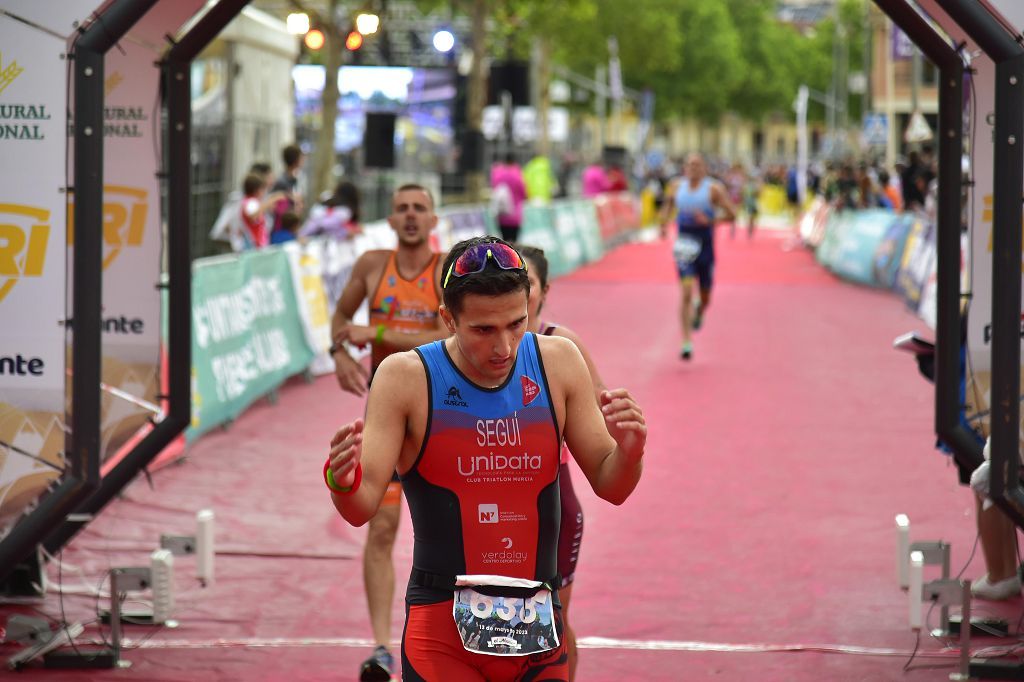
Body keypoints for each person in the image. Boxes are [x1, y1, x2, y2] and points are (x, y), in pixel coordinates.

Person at [325, 236, 646, 681]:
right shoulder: (405, 377)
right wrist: (341, 480)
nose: (504, 348)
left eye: (517, 324)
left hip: (536, 628)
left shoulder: (557, 361)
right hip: (441, 635)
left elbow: (613, 487)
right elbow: (361, 509)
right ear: (448, 319)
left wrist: (630, 451)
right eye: (483, 330)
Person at [328, 184, 451, 681]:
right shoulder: (371, 265)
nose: (410, 216)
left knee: (445, 532)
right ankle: (381, 647)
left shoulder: (446, 269)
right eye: (401, 208)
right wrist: (339, 352)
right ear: (390, 218)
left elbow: (450, 335)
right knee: (380, 528)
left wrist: (375, 333)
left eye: (419, 208)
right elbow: (340, 319)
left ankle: (448, 636)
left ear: (434, 218)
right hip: (385, 421)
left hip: (441, 416)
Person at [517, 244, 610, 681]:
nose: (518, 291)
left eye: (527, 283)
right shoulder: (473, 351)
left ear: (544, 290)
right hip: (495, 505)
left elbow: (603, 410)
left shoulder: (561, 344)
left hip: (554, 501)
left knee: (551, 622)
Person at [660, 153, 737, 361]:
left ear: (704, 168)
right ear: (685, 168)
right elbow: (667, 205)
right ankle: (686, 341)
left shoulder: (713, 189)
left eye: (697, 165)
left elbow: (732, 214)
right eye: (689, 165)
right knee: (685, 291)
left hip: (705, 246)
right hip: (684, 244)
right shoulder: (676, 186)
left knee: (705, 296)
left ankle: (700, 310)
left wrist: (710, 221)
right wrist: (663, 222)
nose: (693, 168)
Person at [490, 154, 527, 243]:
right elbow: (524, 193)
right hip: (515, 216)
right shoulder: (518, 174)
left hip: (502, 215)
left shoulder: (498, 174)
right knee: (514, 243)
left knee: (504, 241)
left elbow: (494, 188)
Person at [269, 143, 305, 233]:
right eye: (301, 158)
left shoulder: (294, 180)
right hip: (281, 229)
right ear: (296, 160)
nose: (303, 160)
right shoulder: (282, 182)